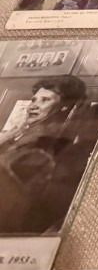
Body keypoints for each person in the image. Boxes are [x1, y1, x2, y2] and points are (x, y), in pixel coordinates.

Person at [0, 75, 88, 233]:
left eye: (45, 100)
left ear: (64, 107)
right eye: (33, 100)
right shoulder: (18, 134)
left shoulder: (47, 142)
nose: (34, 106)